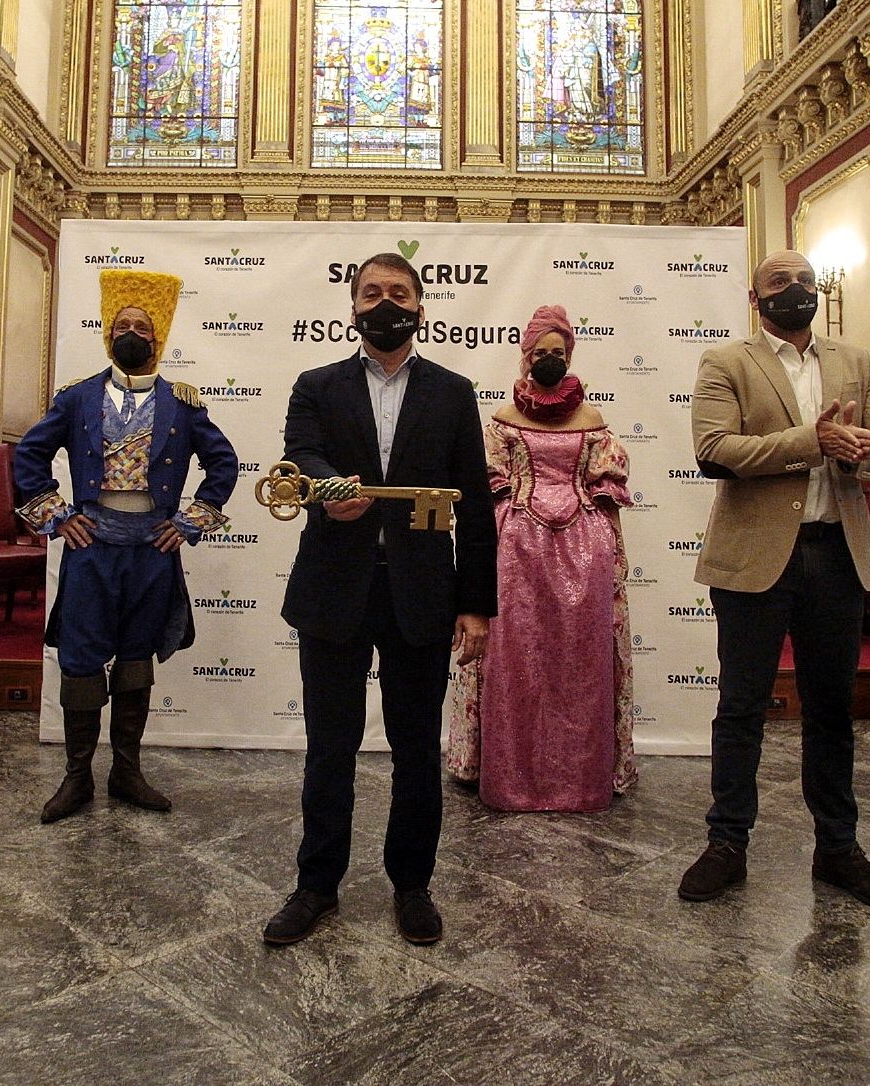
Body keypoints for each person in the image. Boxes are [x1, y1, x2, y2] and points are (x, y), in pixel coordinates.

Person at [262, 252, 497, 948]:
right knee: (328, 749)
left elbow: (477, 506)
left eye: (398, 292)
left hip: (422, 593)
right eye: (372, 293)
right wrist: (329, 486)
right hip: (333, 587)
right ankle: (315, 885)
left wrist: (476, 604)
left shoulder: (453, 393)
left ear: (421, 309)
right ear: (353, 308)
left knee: (416, 750)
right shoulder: (315, 385)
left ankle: (412, 884)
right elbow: (299, 456)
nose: (384, 302)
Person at [678, 249, 870, 915]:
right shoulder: (727, 362)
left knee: (831, 708)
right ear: (755, 300)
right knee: (742, 706)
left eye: (805, 280)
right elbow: (713, 451)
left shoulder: (856, 362)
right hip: (755, 556)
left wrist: (864, 453)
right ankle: (726, 844)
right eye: (779, 282)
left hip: (836, 554)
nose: (796, 290)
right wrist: (811, 441)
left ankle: (838, 847)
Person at [14, 269, 238, 824]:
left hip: (152, 551)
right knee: (83, 659)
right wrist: (57, 517)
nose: (131, 331)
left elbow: (223, 463)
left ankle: (127, 770)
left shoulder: (183, 404)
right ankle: (76, 778)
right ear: (108, 335)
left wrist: (189, 522)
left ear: (157, 337)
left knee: (136, 659)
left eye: (142, 324)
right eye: (123, 324)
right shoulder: (77, 398)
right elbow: (29, 457)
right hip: (92, 549)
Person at [472, 305, 636, 812]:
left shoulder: (594, 420)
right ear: (526, 356)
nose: (549, 359)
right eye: (540, 352)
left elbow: (606, 481)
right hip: (517, 544)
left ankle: (583, 777)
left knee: (580, 659)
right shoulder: (501, 420)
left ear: (570, 356)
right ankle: (511, 775)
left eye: (558, 352)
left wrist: (605, 534)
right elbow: (491, 478)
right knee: (516, 657)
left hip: (584, 546)